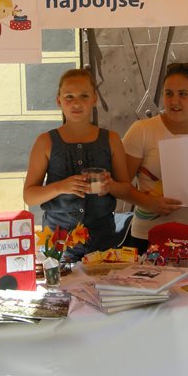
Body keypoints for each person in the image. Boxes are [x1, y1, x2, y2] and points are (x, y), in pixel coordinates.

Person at [24, 68, 132, 260]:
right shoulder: (45, 142)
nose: (76, 103)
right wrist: (60, 187)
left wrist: (110, 186)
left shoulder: (111, 140)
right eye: (69, 97)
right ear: (59, 100)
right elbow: (29, 196)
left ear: (94, 99)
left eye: (84, 96)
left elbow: (127, 190)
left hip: (102, 245)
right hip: (57, 247)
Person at [123, 62, 188, 255]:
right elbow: (120, 186)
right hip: (150, 238)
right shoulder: (142, 131)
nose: (174, 101)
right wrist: (148, 203)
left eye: (183, 94)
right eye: (169, 93)